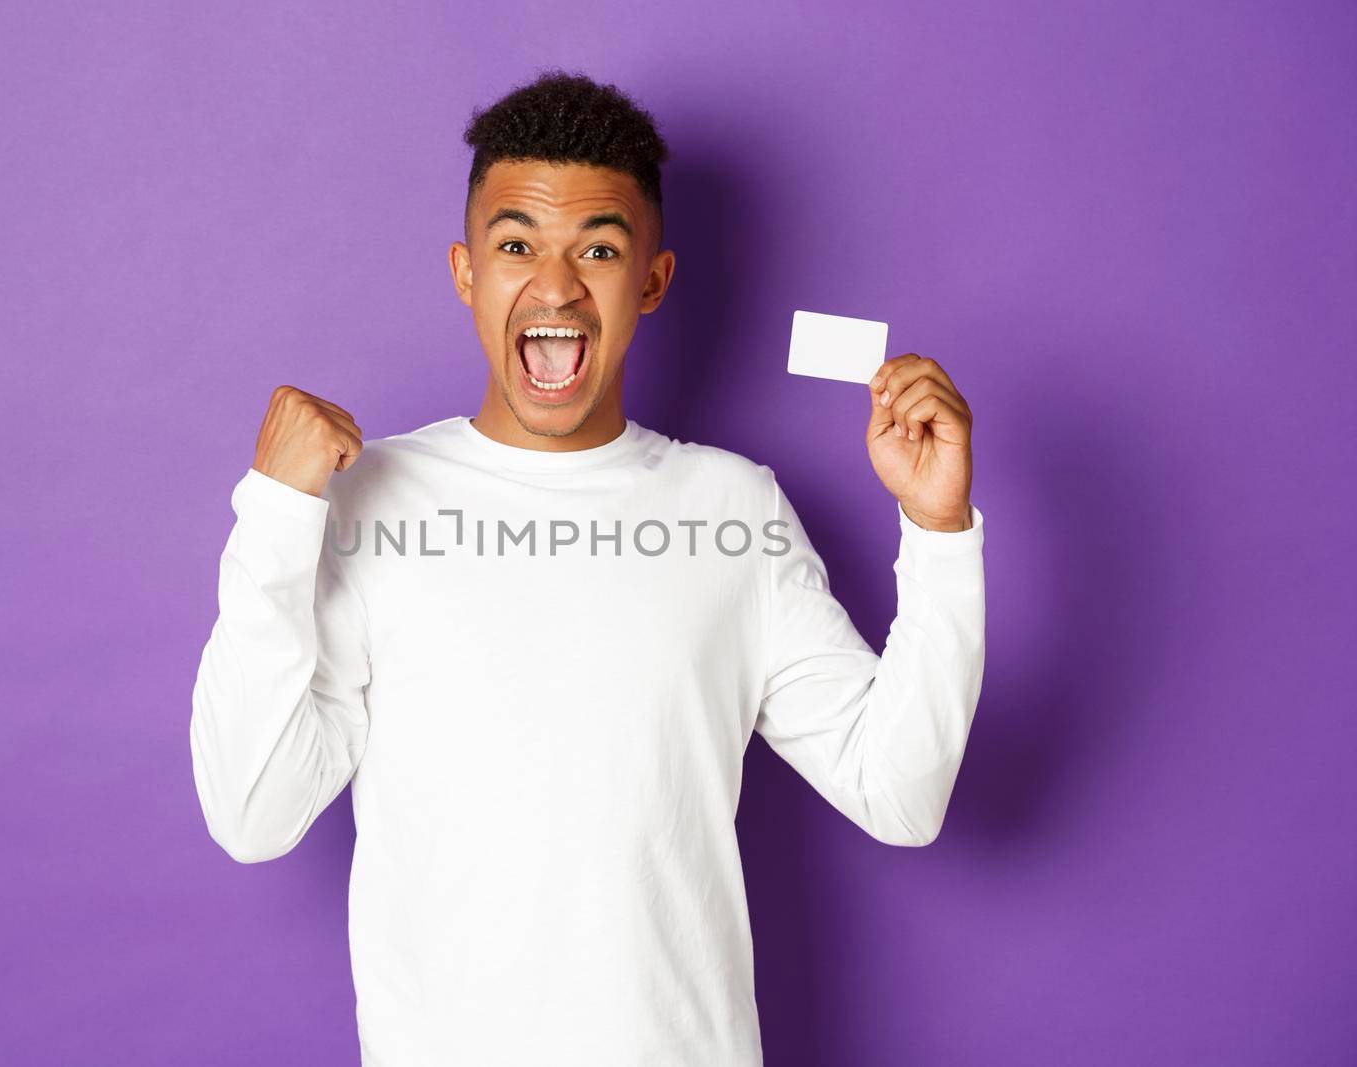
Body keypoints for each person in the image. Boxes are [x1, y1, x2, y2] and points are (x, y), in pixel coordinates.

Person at [189, 69, 985, 1066]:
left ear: (650, 281)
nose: (555, 286)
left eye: (598, 250)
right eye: (516, 244)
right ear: (465, 272)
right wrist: (271, 513)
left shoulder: (731, 508)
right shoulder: (362, 500)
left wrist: (938, 528)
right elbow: (253, 815)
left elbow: (898, 795)